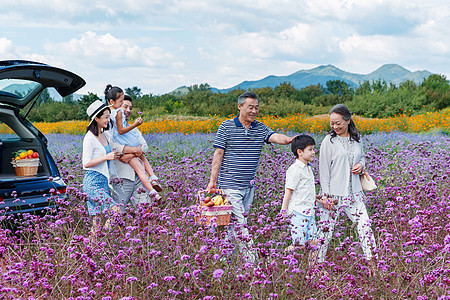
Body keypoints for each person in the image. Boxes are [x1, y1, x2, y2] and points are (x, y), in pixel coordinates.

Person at [206, 91, 295, 263]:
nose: (254, 111)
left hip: (249, 187)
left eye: (256, 108)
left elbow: (274, 136)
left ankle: (224, 262)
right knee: (241, 225)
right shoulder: (226, 127)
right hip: (230, 185)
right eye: (250, 107)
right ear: (239, 107)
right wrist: (212, 181)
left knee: (232, 226)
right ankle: (253, 265)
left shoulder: (260, 128)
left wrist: (289, 140)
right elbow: (218, 153)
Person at [316, 104, 377, 271]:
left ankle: (373, 265)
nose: (335, 127)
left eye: (338, 123)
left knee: (365, 226)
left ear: (348, 120)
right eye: (332, 123)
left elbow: (362, 157)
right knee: (325, 232)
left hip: (354, 193)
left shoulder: (357, 138)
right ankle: (317, 268)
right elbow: (324, 171)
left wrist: (361, 166)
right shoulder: (329, 141)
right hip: (333, 195)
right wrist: (326, 196)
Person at [280, 135, 333, 263]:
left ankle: (313, 270)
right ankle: (279, 256)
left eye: (314, 149)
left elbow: (307, 193)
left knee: (314, 243)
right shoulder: (294, 170)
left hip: (310, 212)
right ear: (300, 152)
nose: (313, 152)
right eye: (310, 149)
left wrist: (322, 201)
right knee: (300, 245)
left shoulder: (308, 169)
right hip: (298, 213)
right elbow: (288, 192)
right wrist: (283, 212)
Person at [104, 85, 162, 203]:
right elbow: (111, 145)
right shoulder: (108, 125)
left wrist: (129, 153)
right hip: (122, 176)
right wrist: (134, 150)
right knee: (120, 210)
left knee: (145, 209)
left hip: (139, 177)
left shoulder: (132, 130)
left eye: (130, 108)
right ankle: (153, 183)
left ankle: (153, 185)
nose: (127, 110)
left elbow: (144, 146)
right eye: (124, 106)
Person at [82, 100, 121, 235]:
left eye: (108, 117)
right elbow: (86, 163)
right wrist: (106, 157)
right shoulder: (89, 138)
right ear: (96, 118)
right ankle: (104, 238)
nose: (108, 120)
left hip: (103, 182)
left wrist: (112, 156)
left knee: (97, 221)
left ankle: (91, 250)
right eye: (105, 117)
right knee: (116, 211)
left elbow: (106, 155)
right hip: (92, 182)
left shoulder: (103, 134)